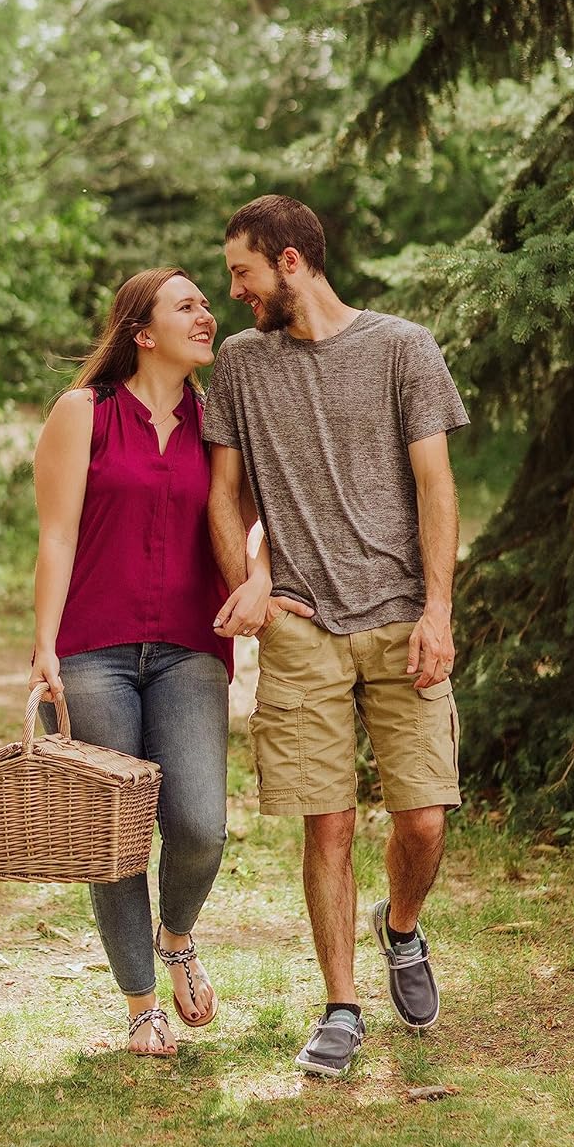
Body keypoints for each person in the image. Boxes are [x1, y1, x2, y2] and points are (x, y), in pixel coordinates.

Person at [204, 194, 469, 1078]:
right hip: (304, 627)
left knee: (424, 819)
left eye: (240, 271)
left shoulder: (402, 348)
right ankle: (342, 1005)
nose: (231, 291)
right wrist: (255, 581)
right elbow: (224, 494)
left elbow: (437, 487)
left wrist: (438, 609)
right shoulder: (240, 367)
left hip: (400, 617)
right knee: (327, 825)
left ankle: (401, 929)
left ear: (287, 262)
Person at [31, 267, 261, 1057]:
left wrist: (257, 584)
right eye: (187, 305)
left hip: (191, 648)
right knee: (116, 835)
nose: (207, 315)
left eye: (206, 303)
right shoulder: (82, 413)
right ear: (141, 331)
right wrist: (44, 647)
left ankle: (178, 936)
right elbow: (57, 536)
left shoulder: (217, 423)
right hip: (93, 649)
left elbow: (244, 522)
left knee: (200, 824)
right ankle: (139, 1006)